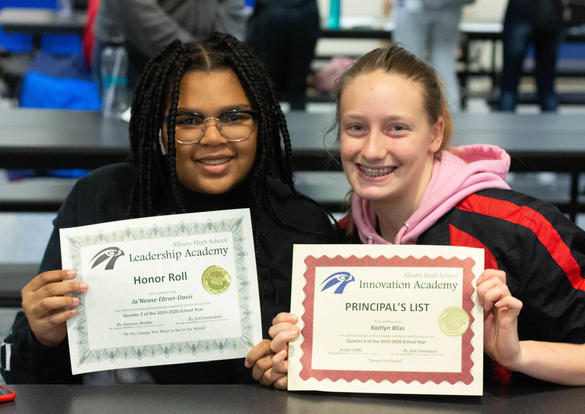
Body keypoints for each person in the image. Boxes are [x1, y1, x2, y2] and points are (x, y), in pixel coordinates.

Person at [245, 44, 585, 389]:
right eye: (356, 127)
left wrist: (518, 355)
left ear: (435, 134)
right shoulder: (337, 249)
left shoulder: (519, 229)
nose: (371, 149)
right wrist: (296, 363)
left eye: (396, 127)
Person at [1, 32, 337, 384]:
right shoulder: (99, 200)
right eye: (187, 120)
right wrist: (41, 336)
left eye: (234, 116)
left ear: (261, 123)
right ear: (158, 127)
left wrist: (291, 373)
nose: (212, 137)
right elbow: (18, 372)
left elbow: (327, 380)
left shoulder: (301, 225)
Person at [93, 0, 246, 92]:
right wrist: (195, 54)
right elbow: (133, 7)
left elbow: (232, 7)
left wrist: (223, 48)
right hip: (134, 55)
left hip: (204, 58)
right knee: (127, 138)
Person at [383, 0, 475, 110]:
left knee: (407, 65)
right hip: (448, 7)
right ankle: (450, 119)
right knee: (443, 64)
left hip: (417, 8)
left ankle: (402, 115)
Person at [246, 0, 320, 110]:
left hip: (271, 13)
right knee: (296, 87)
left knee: (266, 86)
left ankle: (266, 121)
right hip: (302, 13)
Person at [497, 0, 563, 112]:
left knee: (510, 79)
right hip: (549, 11)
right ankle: (551, 120)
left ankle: (505, 121)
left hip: (525, 10)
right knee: (547, 81)